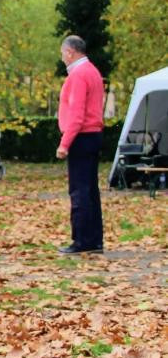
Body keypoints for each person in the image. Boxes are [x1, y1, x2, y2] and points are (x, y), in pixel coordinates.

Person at [56, 35, 105, 254]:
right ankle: (94, 239)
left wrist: (65, 143)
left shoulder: (78, 75)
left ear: (70, 52)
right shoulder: (93, 71)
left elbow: (76, 113)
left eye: (62, 53)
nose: (62, 57)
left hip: (81, 137)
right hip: (93, 135)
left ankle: (82, 240)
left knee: (79, 191)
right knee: (91, 190)